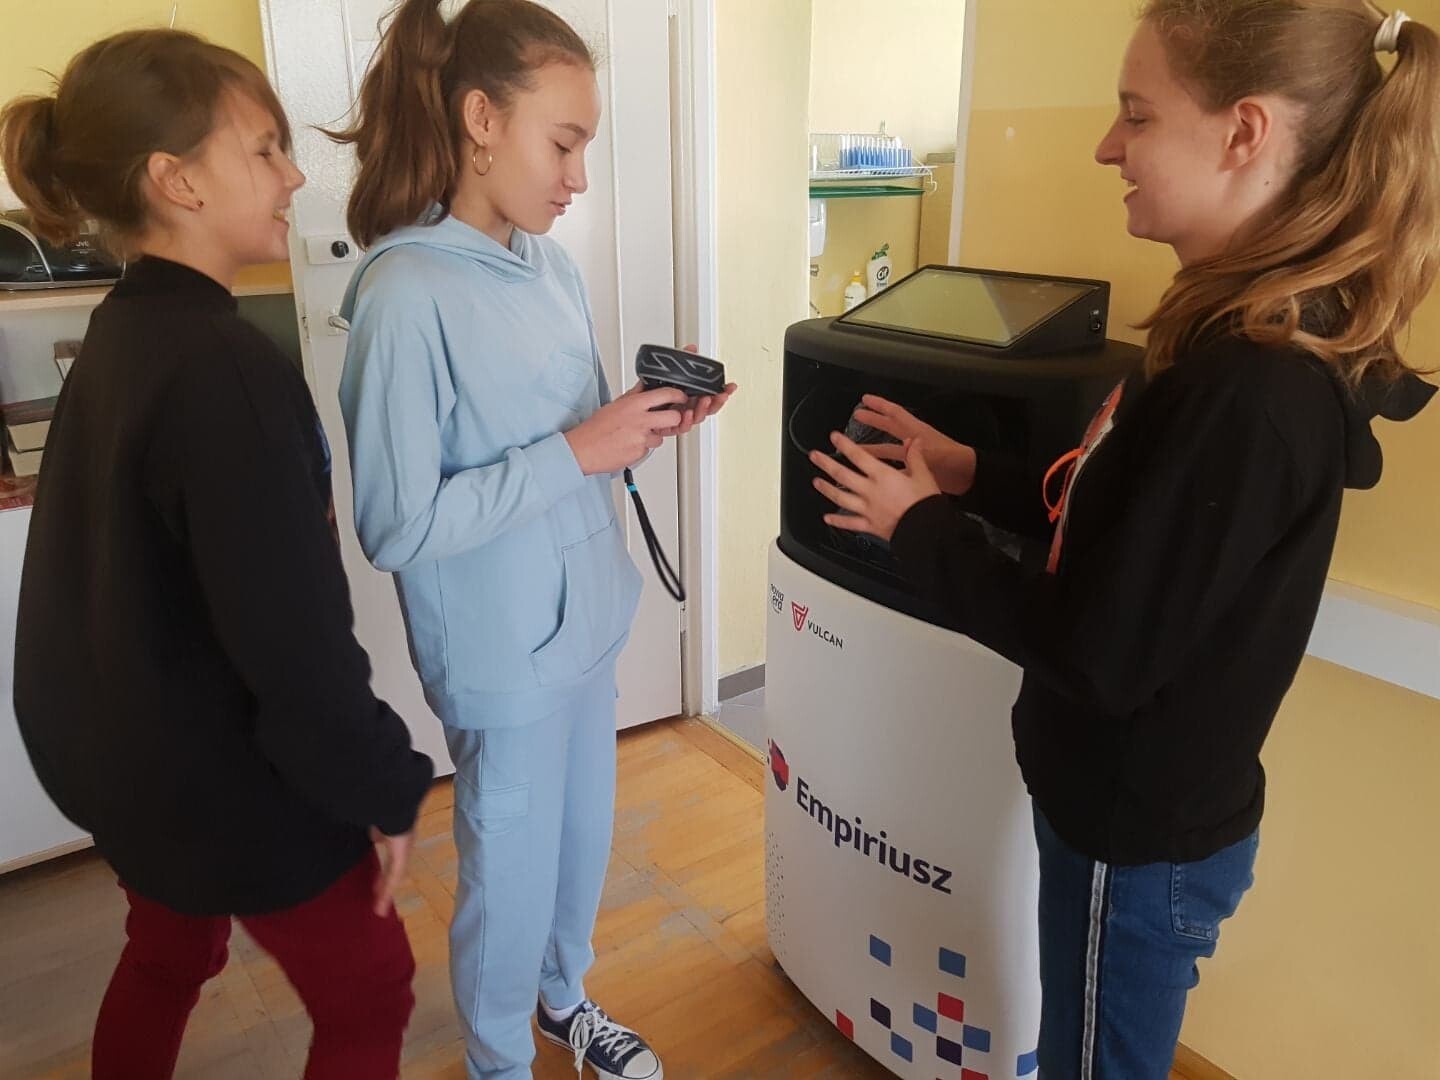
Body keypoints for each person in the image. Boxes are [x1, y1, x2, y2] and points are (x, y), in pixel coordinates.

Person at [808, 3, 1437, 1076]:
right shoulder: (1223, 341)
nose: (1108, 147)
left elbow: (1098, 649)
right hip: (1123, 819)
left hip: (1135, 844)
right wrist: (970, 475)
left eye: (1137, 116)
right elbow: (1124, 531)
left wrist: (920, 529)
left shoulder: (1251, 393)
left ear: (1244, 133)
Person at [2, 29, 434, 1080]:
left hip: (122, 766)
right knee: (372, 990)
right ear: (177, 179)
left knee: (170, 951)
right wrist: (387, 783)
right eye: (265, 149)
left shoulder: (124, 330)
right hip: (215, 783)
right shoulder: (222, 368)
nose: (294, 176)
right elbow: (296, 648)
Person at [327, 2, 734, 1077]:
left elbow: (578, 446)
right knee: (506, 885)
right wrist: (580, 449)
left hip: (587, 627)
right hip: (503, 659)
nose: (578, 178)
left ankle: (565, 1002)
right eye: (565, 144)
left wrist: (646, 422)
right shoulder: (404, 294)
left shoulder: (549, 269)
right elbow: (397, 524)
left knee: (577, 851)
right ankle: (500, 1060)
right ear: (481, 121)